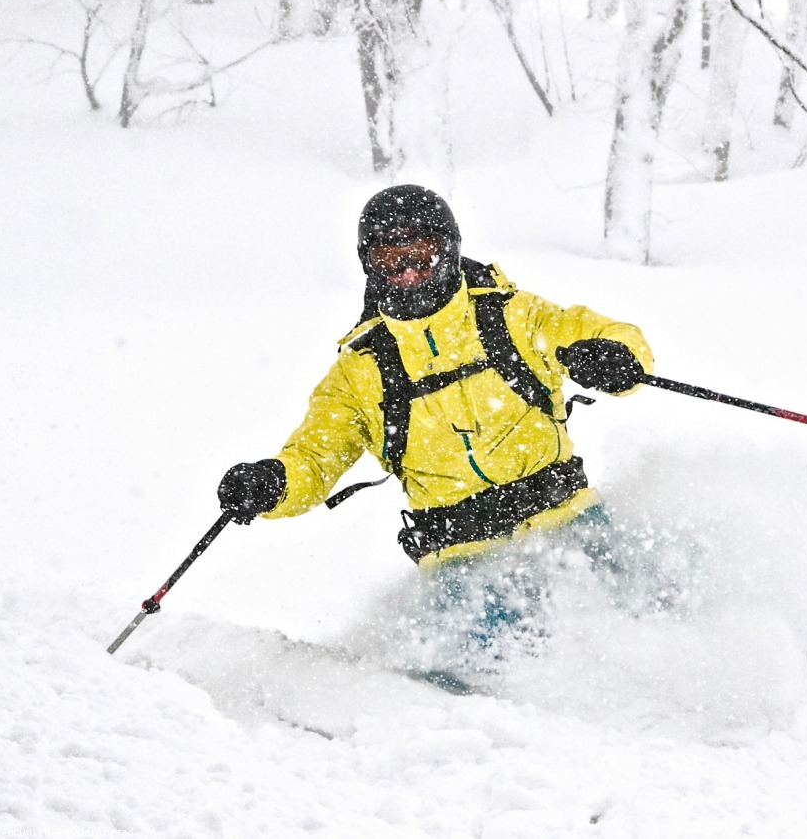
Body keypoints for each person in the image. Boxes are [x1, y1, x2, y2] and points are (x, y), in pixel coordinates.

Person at [216, 184, 653, 585]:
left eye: (421, 255)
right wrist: (273, 483)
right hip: (463, 561)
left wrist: (614, 356)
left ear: (448, 250)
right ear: (369, 265)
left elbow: (593, 331)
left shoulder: (510, 317)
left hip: (569, 521)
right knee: (508, 661)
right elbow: (313, 459)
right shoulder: (359, 371)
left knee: (652, 604)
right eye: (390, 260)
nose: (407, 273)